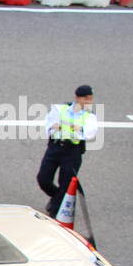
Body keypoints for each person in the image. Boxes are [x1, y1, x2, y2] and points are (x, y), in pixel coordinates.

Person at [38, 85, 97, 216]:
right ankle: (57, 198)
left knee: (65, 184)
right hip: (55, 148)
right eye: (85, 98)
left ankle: (55, 213)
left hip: (72, 152)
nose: (88, 102)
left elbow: (88, 133)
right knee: (43, 179)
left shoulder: (90, 116)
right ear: (77, 98)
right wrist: (72, 128)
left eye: (90, 99)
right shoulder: (60, 109)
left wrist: (66, 127)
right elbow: (50, 125)